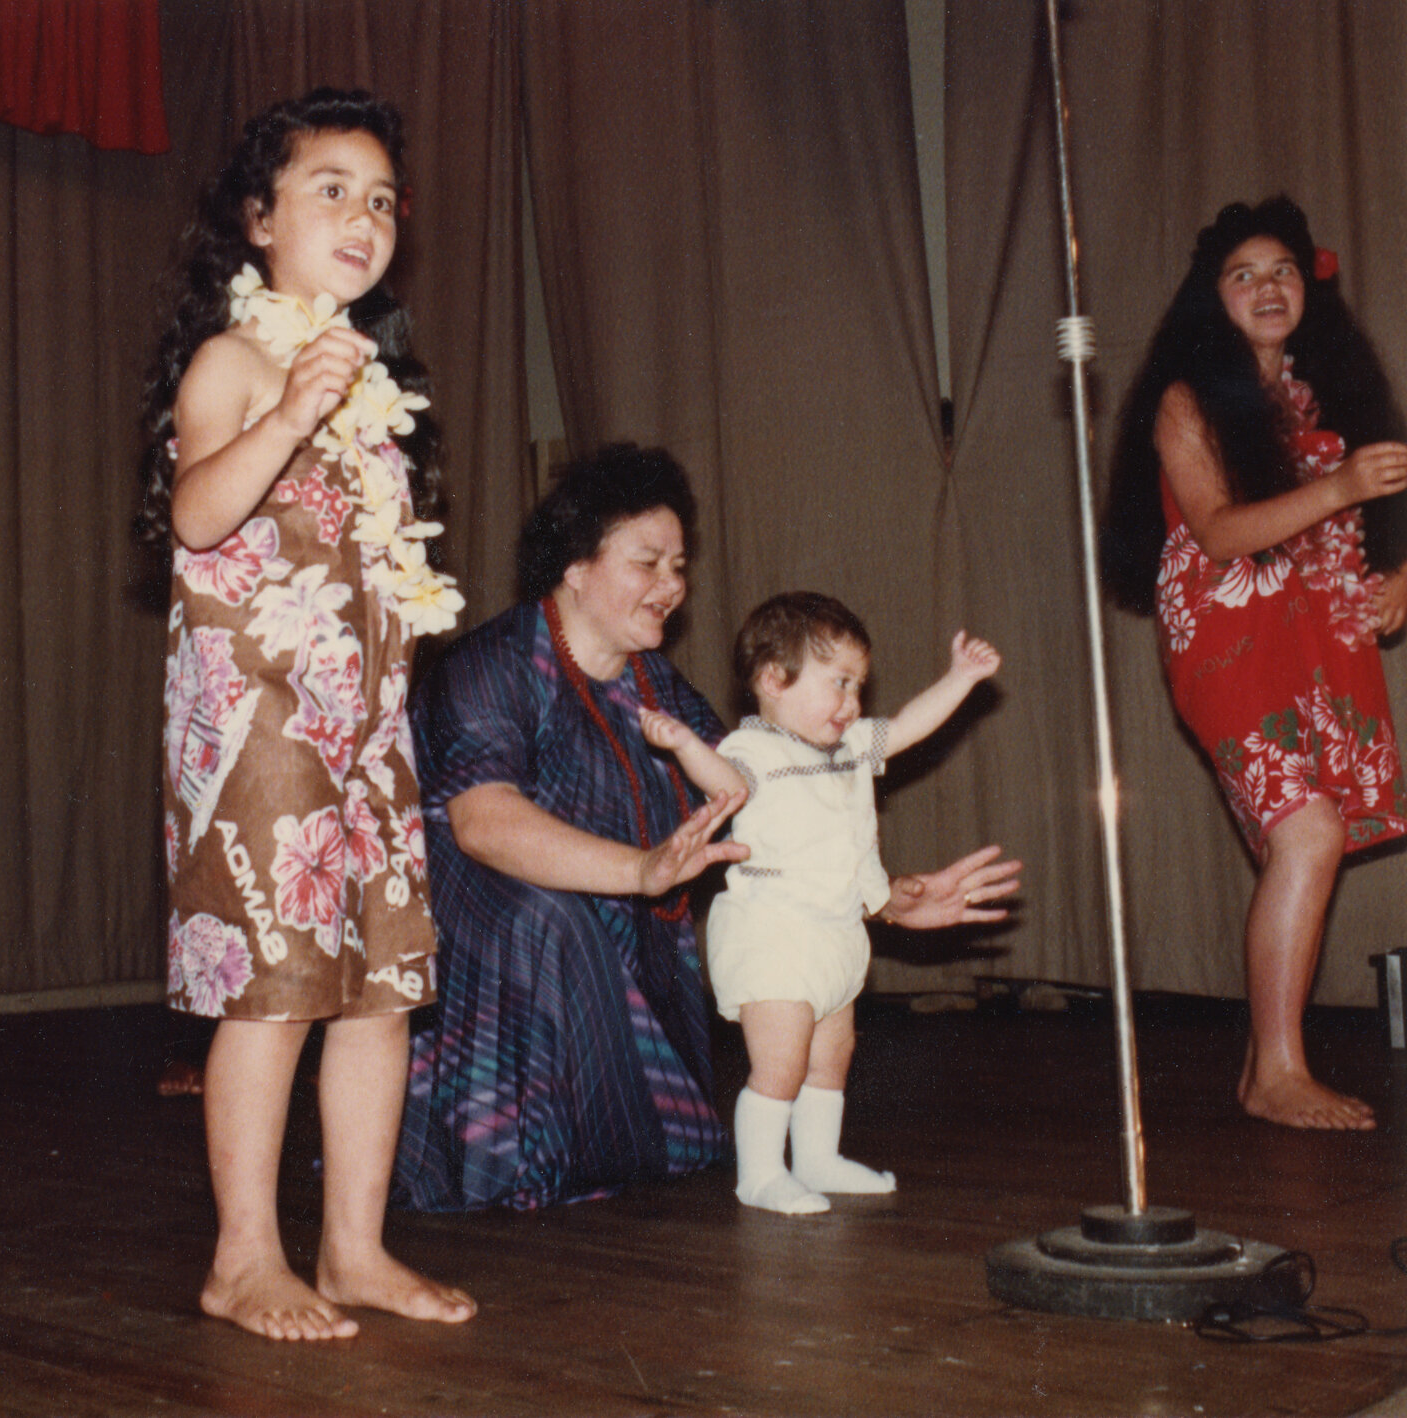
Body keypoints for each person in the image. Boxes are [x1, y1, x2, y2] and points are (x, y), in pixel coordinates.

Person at [391, 445, 1022, 1213]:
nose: (672, 586)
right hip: (482, 922)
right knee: (548, 917)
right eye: (648, 562)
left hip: (616, 928)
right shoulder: (489, 666)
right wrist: (641, 872)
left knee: (683, 1147)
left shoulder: (659, 685)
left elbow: (774, 813)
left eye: (679, 566)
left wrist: (887, 901)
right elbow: (484, 825)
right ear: (576, 567)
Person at [136, 88, 474, 1342]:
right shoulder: (237, 361)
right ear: (257, 220)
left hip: (363, 723)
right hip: (256, 726)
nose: (364, 213)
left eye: (381, 197)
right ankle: (240, 1258)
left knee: (380, 987)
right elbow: (199, 516)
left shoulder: (371, 382)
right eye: (329, 186)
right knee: (273, 988)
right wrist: (289, 411)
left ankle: (352, 1247)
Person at [1103, 197, 1407, 1132]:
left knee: (1301, 840)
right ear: (1214, 300)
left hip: (1322, 639)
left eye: (1282, 270)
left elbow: (1383, 518)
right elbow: (1220, 532)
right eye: (1244, 275)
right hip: (1229, 635)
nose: (1268, 287)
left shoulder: (1338, 396)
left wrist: (1401, 579)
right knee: (1308, 833)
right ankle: (1277, 1072)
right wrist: (1339, 487)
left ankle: (1266, 1069)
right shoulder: (1186, 400)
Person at [640, 593, 999, 1214]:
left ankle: (818, 1159)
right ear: (773, 680)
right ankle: (758, 1173)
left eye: (858, 685)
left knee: (831, 1059)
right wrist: (682, 745)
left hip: (836, 928)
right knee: (779, 1065)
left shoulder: (854, 746)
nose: (853, 702)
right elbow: (723, 788)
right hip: (774, 932)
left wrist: (960, 677)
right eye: (838, 683)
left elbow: (910, 725)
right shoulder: (755, 752)